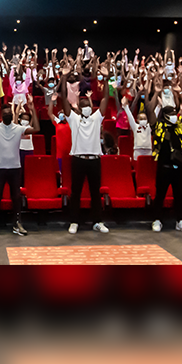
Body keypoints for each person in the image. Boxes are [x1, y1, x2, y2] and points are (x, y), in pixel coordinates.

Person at [58, 62, 111, 235]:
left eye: (88, 105)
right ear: (79, 109)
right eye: (83, 106)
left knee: (96, 192)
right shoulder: (73, 119)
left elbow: (105, 99)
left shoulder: (96, 118)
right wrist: (64, 77)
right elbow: (64, 99)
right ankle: (74, 221)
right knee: (77, 192)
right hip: (78, 160)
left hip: (95, 159)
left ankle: (98, 221)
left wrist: (107, 79)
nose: (86, 108)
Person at [0, 101, 39, 237]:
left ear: (12, 115)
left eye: (9, 113)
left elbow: (36, 129)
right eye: (5, 114)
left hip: (15, 168)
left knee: (16, 197)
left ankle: (17, 223)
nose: (7, 115)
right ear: (1, 115)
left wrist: (33, 110)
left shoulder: (18, 128)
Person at [143, 78, 182, 233]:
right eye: (170, 113)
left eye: (174, 112)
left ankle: (180, 221)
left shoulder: (178, 125)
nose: (173, 115)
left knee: (179, 196)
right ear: (164, 115)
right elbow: (149, 110)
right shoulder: (158, 127)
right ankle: (157, 220)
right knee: (160, 195)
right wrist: (156, 91)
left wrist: (179, 93)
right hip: (164, 167)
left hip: (179, 166)